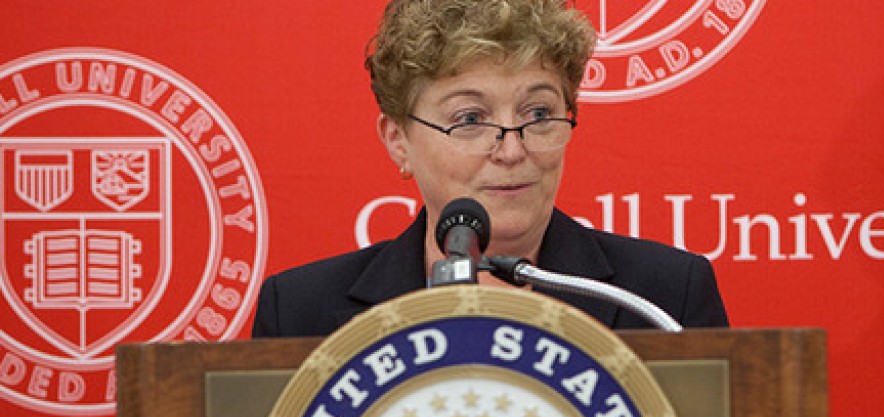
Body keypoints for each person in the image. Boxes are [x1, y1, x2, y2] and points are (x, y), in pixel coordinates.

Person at [252, 0, 728, 338]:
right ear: (398, 140)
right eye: (470, 119)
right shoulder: (300, 312)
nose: (512, 150)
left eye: (538, 114)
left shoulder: (663, 297)